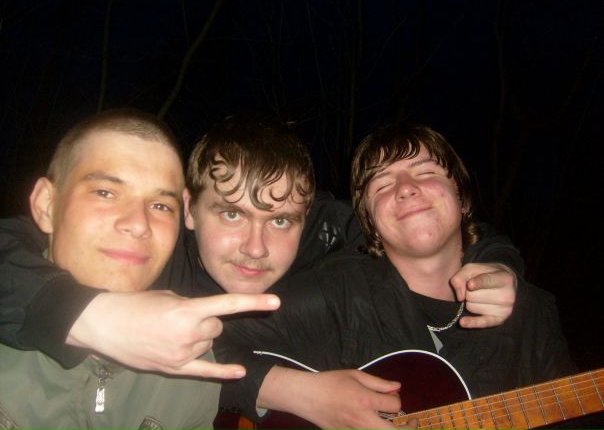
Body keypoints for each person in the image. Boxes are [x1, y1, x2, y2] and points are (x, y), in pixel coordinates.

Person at [0, 113, 520, 428]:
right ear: (188, 209)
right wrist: (92, 315)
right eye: (230, 214)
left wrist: (494, 261)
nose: (255, 247)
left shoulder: (320, 231)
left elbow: (416, 228)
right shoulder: (146, 254)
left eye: (281, 220)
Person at [218, 122, 576, 429]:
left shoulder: (532, 314)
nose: (405, 187)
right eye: (382, 183)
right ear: (369, 222)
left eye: (426, 172)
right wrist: (306, 395)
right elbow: (209, 348)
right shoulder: (336, 293)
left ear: (463, 198)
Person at [0, 108, 280, 429]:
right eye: (105, 193)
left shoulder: (191, 371)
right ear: (46, 205)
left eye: (160, 205)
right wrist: (82, 314)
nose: (138, 223)